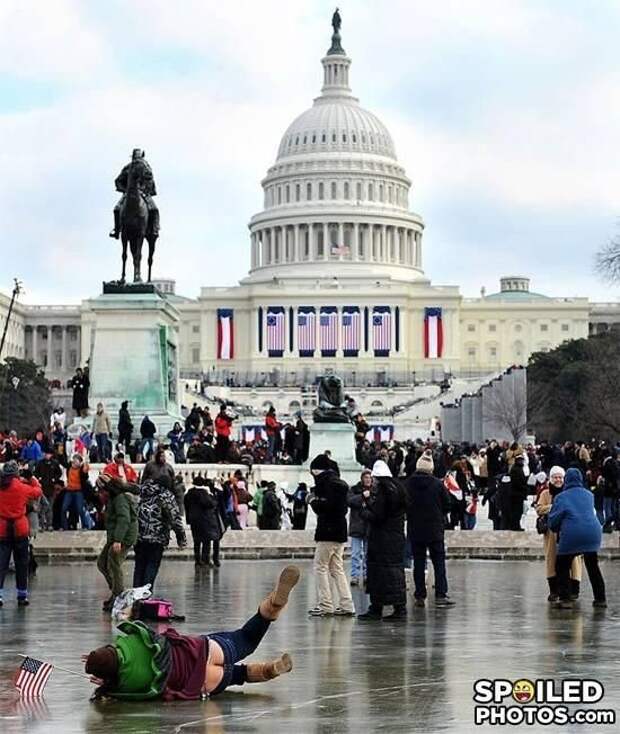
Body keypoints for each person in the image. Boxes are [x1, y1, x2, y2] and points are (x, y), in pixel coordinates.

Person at [83, 566, 300, 700]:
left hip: (201, 683)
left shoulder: (125, 686)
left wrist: (108, 684)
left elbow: (139, 694)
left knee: (239, 675)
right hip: (202, 652)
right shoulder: (132, 641)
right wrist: (105, 653)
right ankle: (272, 605)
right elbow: (143, 630)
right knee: (246, 639)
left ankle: (270, 669)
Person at [548, 468, 606, 609]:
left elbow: (554, 521)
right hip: (593, 533)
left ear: (566, 480)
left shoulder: (561, 497)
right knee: (593, 566)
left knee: (562, 565)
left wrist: (556, 529)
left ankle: (565, 598)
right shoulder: (589, 495)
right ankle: (600, 599)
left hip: (572, 535)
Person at [357, 461, 407, 621]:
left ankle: (376, 607)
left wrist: (364, 511)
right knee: (394, 572)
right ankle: (399, 606)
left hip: (381, 539)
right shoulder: (399, 489)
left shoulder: (383, 492)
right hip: (396, 538)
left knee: (378, 572)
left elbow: (378, 517)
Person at [405, 449, 455, 607]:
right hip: (434, 529)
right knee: (438, 562)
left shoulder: (408, 484)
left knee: (418, 562)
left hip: (415, 528)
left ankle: (420, 594)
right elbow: (448, 504)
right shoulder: (437, 484)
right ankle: (441, 594)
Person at [307, 454, 355, 617]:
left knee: (320, 567)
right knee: (337, 568)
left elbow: (323, 507)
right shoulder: (341, 484)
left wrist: (312, 500)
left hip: (327, 530)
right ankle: (347, 603)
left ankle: (325, 604)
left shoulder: (324, 484)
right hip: (340, 530)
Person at [536, 466, 582, 603]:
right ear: (551, 478)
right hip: (551, 533)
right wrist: (553, 508)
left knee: (574, 560)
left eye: (560, 477)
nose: (558, 480)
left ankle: (573, 589)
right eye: (555, 477)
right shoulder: (545, 493)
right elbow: (539, 509)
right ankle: (554, 590)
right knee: (552, 559)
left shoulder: (570, 492)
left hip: (569, 531)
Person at [0, 462, 42, 607]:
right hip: (20, 528)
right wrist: (31, 478)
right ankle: (22, 595)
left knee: (1, 564)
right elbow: (37, 492)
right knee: (22, 563)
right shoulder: (22, 488)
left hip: (2, 529)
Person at [133, 478, 187, 591]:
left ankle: (135, 598)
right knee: (151, 567)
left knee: (139, 567)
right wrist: (181, 537)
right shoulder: (165, 494)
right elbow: (174, 517)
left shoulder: (139, 492)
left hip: (138, 537)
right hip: (157, 537)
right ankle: (145, 597)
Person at [96, 474, 140, 612]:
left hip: (123, 536)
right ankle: (115, 590)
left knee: (114, 563)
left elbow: (124, 520)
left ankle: (119, 595)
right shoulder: (113, 498)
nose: (100, 493)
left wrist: (118, 540)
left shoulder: (120, 499)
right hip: (116, 536)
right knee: (102, 563)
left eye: (101, 490)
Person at [184, 477, 223, 567]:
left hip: (193, 520)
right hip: (204, 520)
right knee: (206, 541)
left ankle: (197, 560)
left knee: (197, 541)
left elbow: (186, 507)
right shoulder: (203, 493)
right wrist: (213, 499)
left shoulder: (189, 493)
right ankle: (205, 560)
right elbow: (209, 504)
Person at [347, 469, 371, 586]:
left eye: (369, 478)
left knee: (368, 554)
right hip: (357, 526)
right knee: (355, 554)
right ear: (362, 479)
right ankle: (355, 575)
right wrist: (362, 496)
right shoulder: (354, 489)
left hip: (368, 526)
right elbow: (350, 501)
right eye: (366, 477)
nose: (368, 480)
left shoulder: (375, 491)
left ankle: (367, 575)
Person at [61, 454, 93, 530]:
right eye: (74, 460)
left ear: (80, 462)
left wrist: (85, 468)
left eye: (76, 461)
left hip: (78, 491)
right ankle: (64, 526)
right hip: (69, 490)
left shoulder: (82, 469)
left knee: (80, 509)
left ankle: (85, 525)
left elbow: (85, 476)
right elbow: (63, 462)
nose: (74, 462)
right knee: (64, 508)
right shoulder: (69, 466)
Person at [34, 450, 62, 530]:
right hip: (42, 488)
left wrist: (54, 479)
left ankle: (49, 524)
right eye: (46, 453)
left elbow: (59, 473)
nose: (47, 455)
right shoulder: (40, 463)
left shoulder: (55, 463)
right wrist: (39, 479)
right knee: (41, 507)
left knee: (50, 507)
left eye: (48, 454)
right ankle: (41, 524)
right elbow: (36, 473)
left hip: (51, 488)